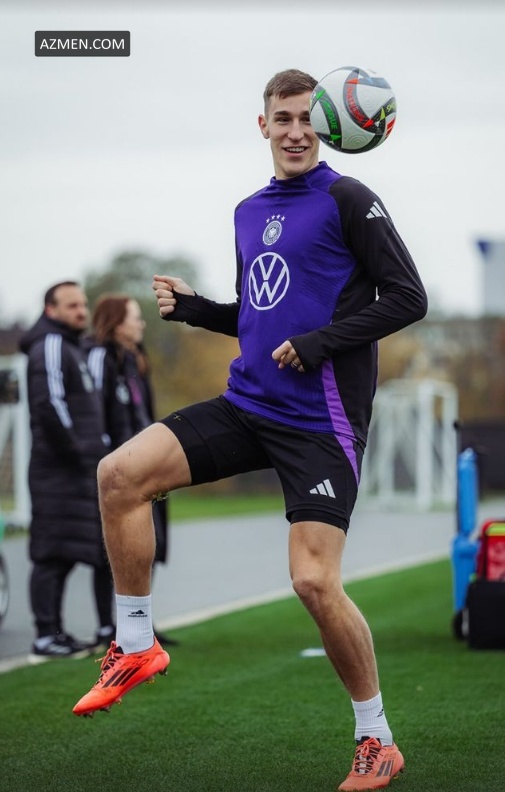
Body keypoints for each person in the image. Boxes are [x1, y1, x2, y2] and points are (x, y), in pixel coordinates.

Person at [72, 69, 428, 791]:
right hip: (247, 404)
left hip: (320, 423)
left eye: (305, 118)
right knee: (119, 475)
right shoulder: (248, 210)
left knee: (313, 583)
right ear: (262, 125)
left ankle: (376, 739)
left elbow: (407, 297)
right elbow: (262, 314)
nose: (295, 131)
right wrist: (199, 310)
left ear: (324, 125)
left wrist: (322, 344)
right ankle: (134, 644)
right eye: (281, 119)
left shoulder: (348, 198)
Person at [19, 281, 113, 661]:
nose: (81, 311)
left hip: (76, 469)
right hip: (57, 470)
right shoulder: (52, 345)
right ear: (51, 310)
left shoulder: (73, 347)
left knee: (66, 552)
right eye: (72, 305)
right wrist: (78, 451)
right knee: (51, 554)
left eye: (83, 304)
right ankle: (45, 636)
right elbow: (49, 404)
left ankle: (56, 633)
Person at [86, 293, 177, 649]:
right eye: (134, 317)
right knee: (110, 548)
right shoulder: (100, 357)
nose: (140, 324)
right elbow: (94, 414)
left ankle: (142, 624)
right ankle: (105, 627)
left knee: (148, 544)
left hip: (146, 468)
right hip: (117, 472)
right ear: (115, 323)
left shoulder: (137, 360)